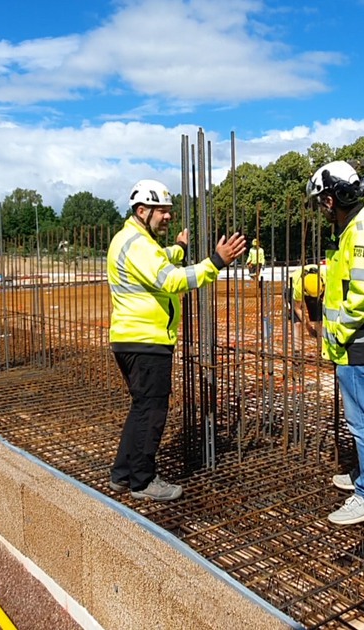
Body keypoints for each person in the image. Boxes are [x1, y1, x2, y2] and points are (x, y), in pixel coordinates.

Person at [107, 179, 247, 501]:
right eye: (162, 212)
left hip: (134, 338)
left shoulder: (134, 239)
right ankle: (143, 481)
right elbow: (170, 279)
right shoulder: (138, 244)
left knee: (141, 409)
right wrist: (215, 263)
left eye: (169, 212)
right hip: (146, 342)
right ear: (142, 211)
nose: (168, 217)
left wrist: (180, 249)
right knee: (153, 412)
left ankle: (122, 474)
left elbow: (160, 258)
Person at [306, 160, 364, 525]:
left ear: (333, 198)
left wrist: (339, 332)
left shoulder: (361, 234)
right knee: (361, 417)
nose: (322, 208)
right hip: (353, 342)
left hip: (358, 343)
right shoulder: (351, 233)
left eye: (322, 200)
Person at [287, 263, 324, 347]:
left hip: (317, 287)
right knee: (297, 322)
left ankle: (321, 347)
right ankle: (296, 351)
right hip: (293, 285)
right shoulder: (298, 287)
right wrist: (309, 328)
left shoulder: (325, 280)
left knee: (319, 319)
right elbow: (297, 308)